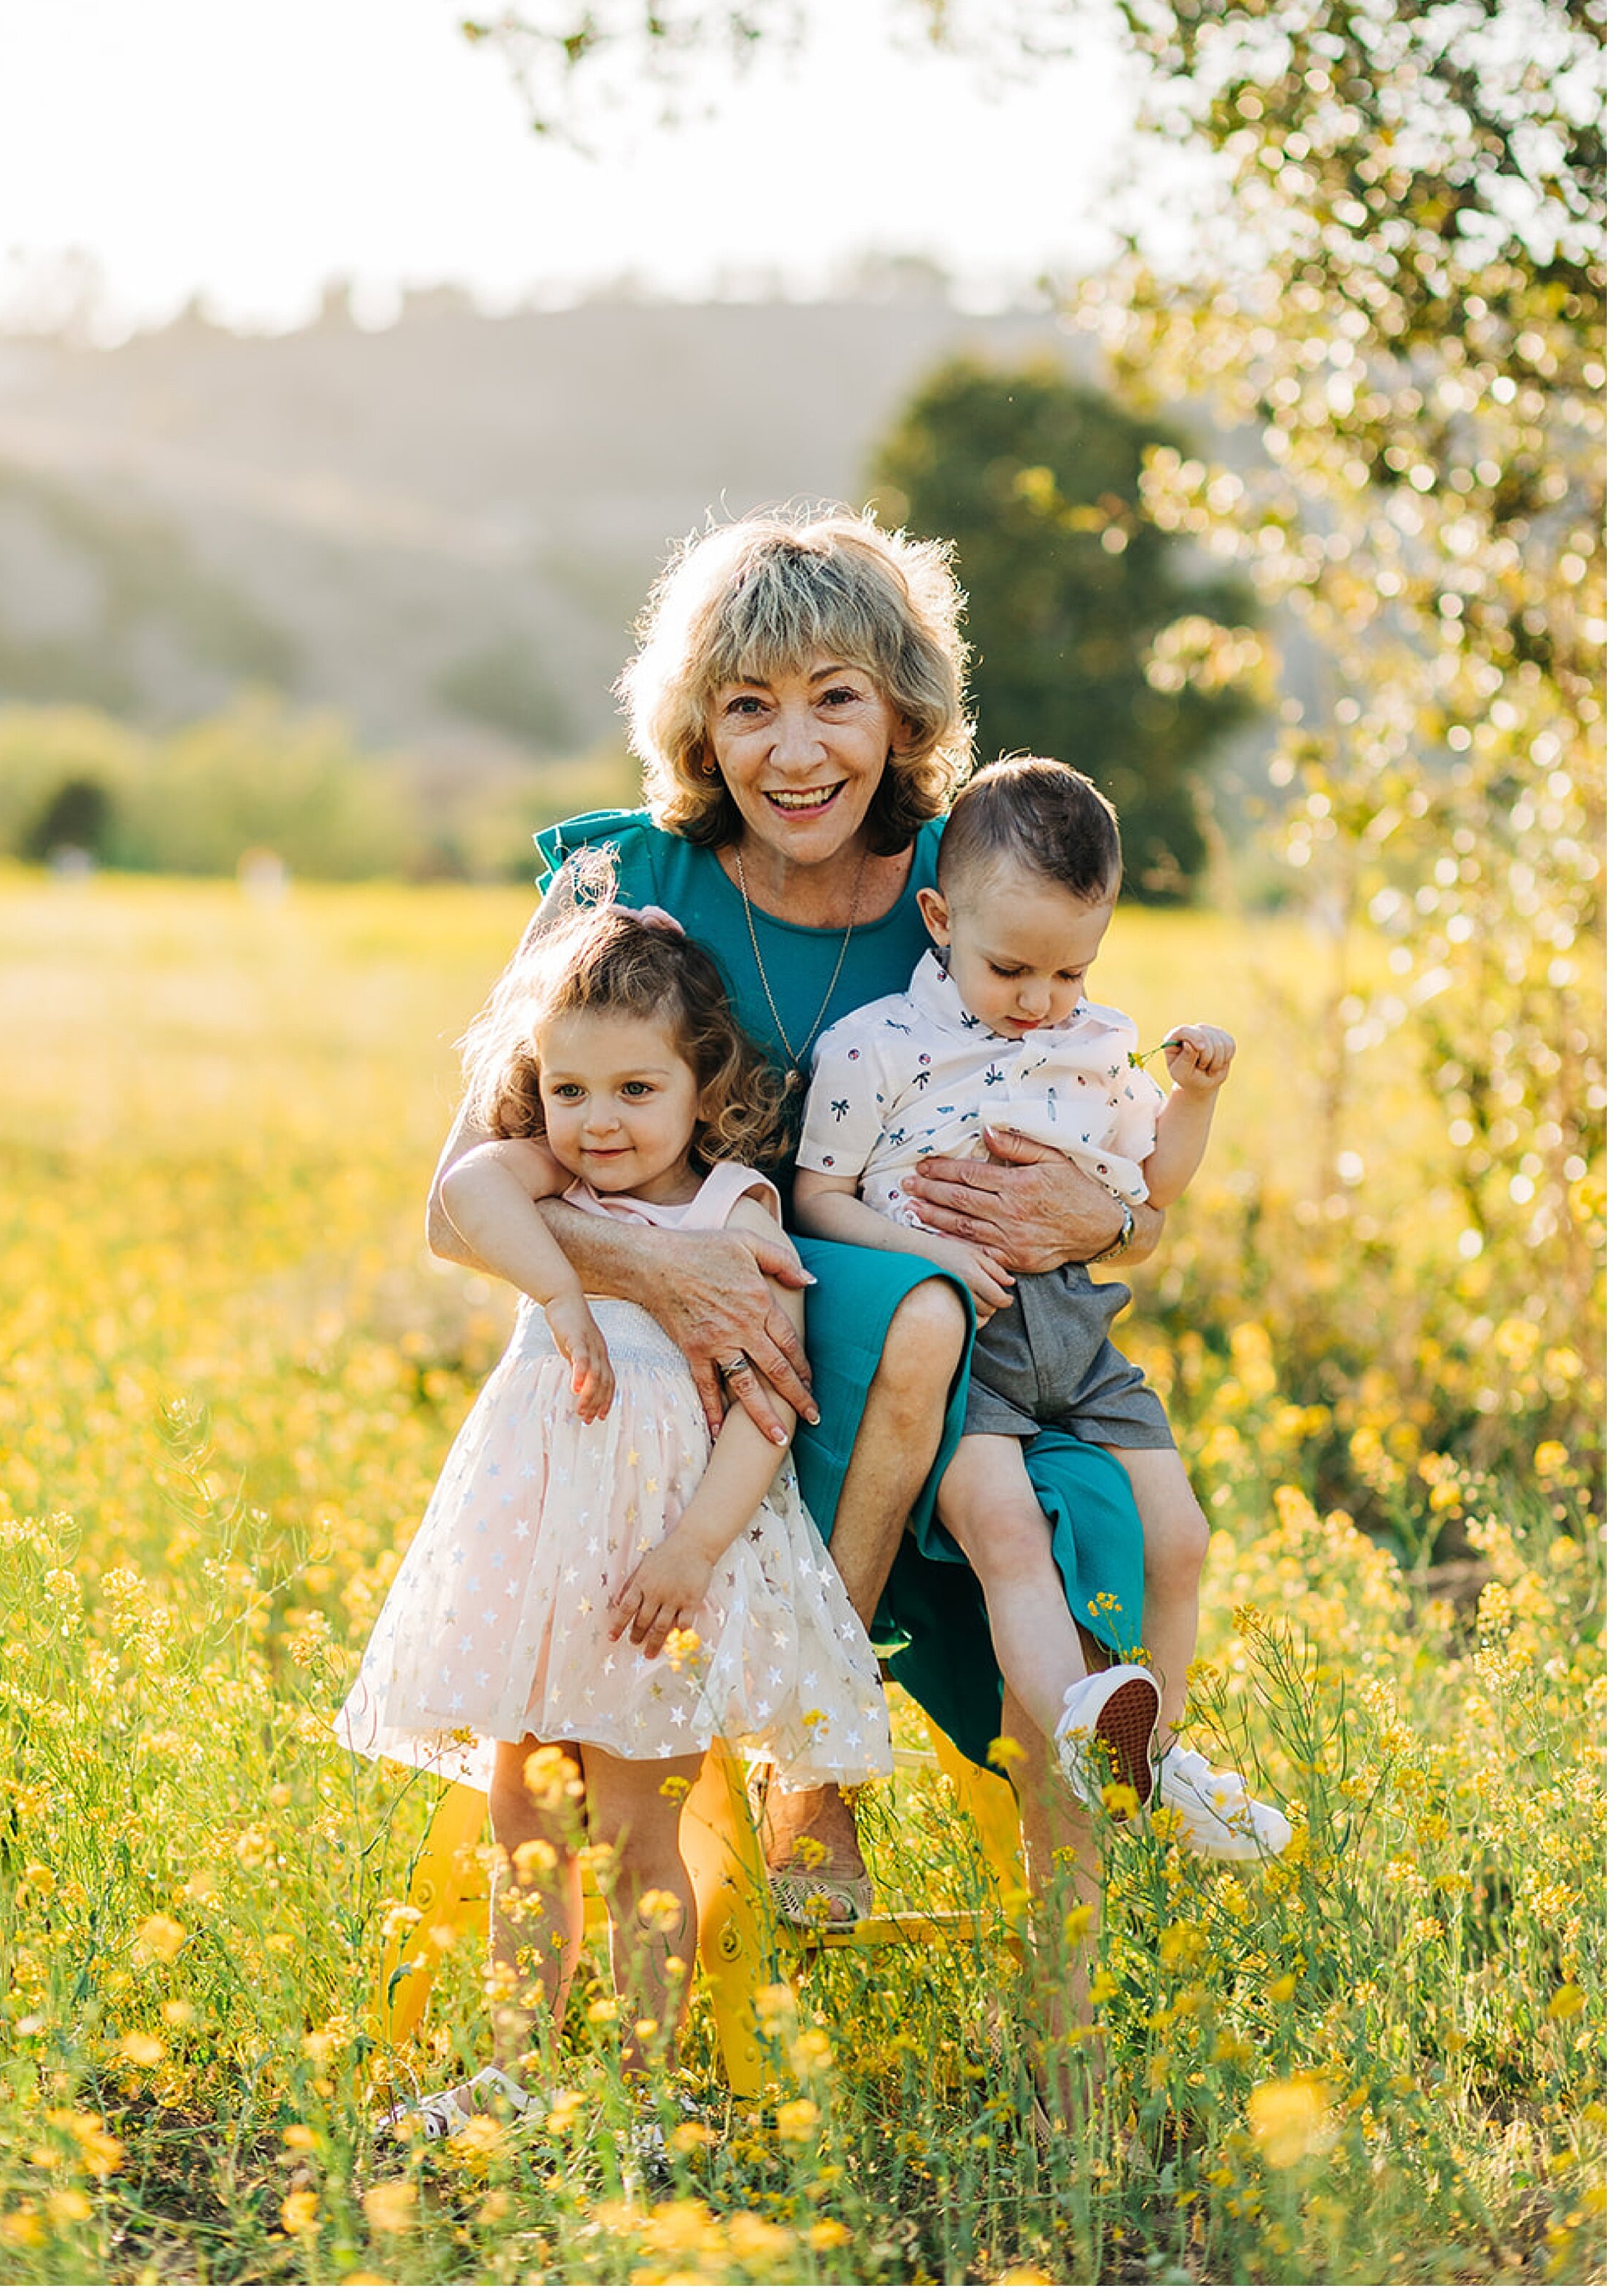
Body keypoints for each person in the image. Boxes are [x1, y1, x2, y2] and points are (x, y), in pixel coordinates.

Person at [427, 509, 1174, 1966]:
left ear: (901, 708)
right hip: (668, 1343)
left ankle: (850, 1790)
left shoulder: (971, 886)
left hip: (938, 1348)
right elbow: (457, 1197)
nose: (795, 748)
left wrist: (1124, 1213)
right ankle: (806, 1753)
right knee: (908, 1315)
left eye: (834, 694)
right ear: (700, 728)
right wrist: (661, 1267)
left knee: (942, 1340)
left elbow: (1092, 1150)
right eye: (747, 704)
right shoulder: (609, 882)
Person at [336, 903, 890, 2138]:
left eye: (638, 1088)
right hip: (539, 1568)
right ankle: (519, 2072)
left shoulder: (734, 1211)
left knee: (644, 1836)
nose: (599, 1122)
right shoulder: (552, 1183)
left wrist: (692, 1549)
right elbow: (471, 1181)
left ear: (706, 1085)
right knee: (523, 1821)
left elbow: (769, 1408)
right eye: (569, 1089)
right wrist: (560, 1293)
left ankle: (642, 2092)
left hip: (657, 1572)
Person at [795, 754, 1291, 1879]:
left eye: (1073, 970)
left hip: (1080, 1333)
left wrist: (1195, 1099)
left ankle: (1156, 1757)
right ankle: (1082, 1728)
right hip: (964, 1348)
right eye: (1011, 967)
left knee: (1184, 1539)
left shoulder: (1094, 1042)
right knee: (1011, 1538)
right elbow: (816, 1197)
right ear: (939, 918)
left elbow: (1152, 1188)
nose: (1041, 1001)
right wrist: (928, 1252)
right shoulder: (879, 1048)